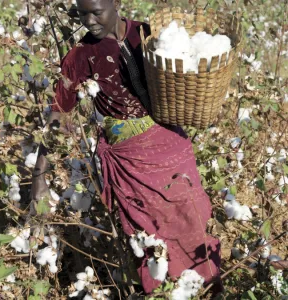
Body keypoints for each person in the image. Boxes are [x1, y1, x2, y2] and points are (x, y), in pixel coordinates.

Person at [31, 0, 221, 295]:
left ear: (116, 4)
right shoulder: (80, 57)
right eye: (83, 14)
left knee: (191, 218)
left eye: (97, 12)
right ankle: (162, 291)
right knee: (150, 237)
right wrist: (38, 176)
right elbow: (58, 114)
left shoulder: (147, 34)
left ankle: (206, 286)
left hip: (172, 145)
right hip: (131, 160)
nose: (90, 21)